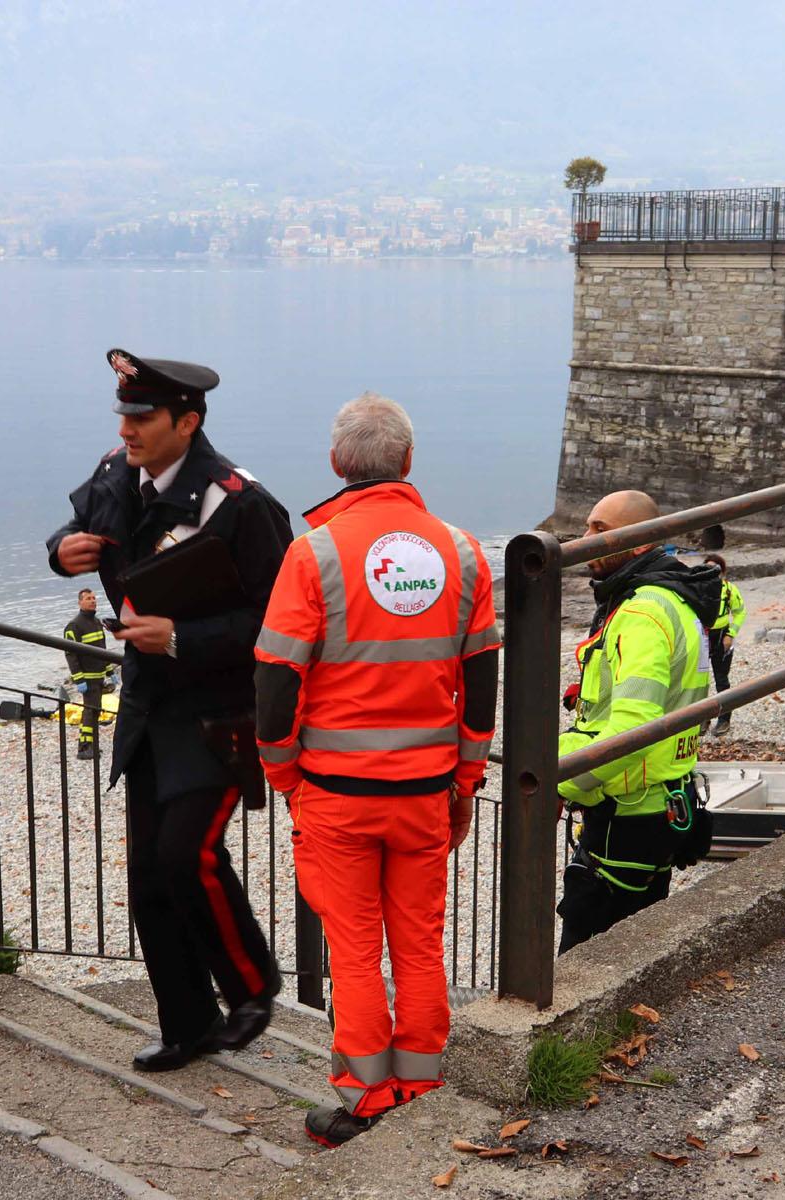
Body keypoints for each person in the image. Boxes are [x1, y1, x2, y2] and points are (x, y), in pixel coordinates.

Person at [255, 393, 498, 1149]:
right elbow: (482, 678)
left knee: (355, 948)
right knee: (419, 941)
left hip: (334, 795)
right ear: (409, 462)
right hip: (426, 792)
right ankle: (422, 1083)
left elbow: (275, 677)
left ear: (335, 465)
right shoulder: (461, 552)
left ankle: (363, 1097)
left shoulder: (314, 553)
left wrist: (284, 773)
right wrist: (465, 780)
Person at [47, 348, 289, 1071]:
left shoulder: (242, 503)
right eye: (123, 414)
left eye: (142, 417)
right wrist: (62, 553)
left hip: (218, 714)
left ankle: (252, 989)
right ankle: (185, 1024)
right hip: (147, 709)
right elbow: (65, 535)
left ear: (187, 421)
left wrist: (182, 637)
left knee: (189, 854)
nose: (127, 429)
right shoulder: (114, 473)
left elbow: (281, 624)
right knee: (151, 877)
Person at [557, 490, 721, 955]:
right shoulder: (676, 599)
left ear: (638, 540)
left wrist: (557, 784)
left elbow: (631, 728)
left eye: (599, 531)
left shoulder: (642, 613)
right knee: (637, 944)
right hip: (666, 800)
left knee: (582, 959)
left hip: (627, 810)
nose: (584, 540)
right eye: (588, 527)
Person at [63, 587, 112, 760]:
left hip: (98, 677)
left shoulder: (97, 622)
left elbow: (102, 649)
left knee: (95, 711)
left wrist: (110, 670)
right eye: (88, 598)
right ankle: (84, 748)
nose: (93, 600)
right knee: (90, 712)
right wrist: (78, 679)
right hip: (88, 678)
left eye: (94, 598)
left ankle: (92, 745)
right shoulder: (74, 625)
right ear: (80, 602)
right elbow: (70, 654)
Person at [703, 553, 745, 735]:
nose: (711, 573)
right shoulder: (698, 588)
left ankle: (724, 719)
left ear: (722, 571)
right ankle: (701, 718)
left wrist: (731, 634)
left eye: (715, 569)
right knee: (700, 682)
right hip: (703, 637)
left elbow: (740, 613)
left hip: (722, 637)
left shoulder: (729, 590)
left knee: (721, 680)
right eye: (707, 569)